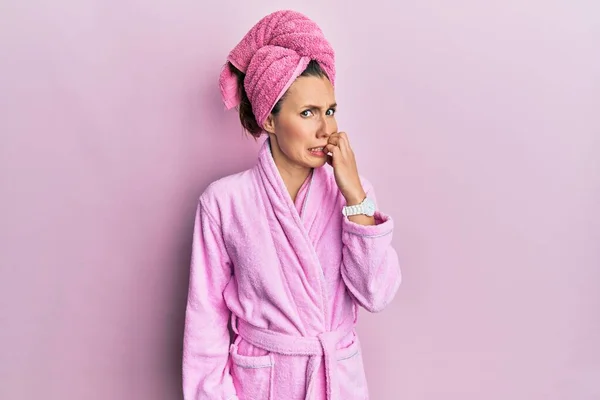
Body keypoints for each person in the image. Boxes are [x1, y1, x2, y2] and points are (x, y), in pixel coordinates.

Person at [182, 9, 401, 400]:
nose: (326, 129)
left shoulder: (354, 194)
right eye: (307, 113)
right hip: (263, 384)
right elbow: (205, 322)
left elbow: (376, 295)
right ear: (269, 119)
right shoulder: (224, 202)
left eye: (330, 111)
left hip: (337, 380)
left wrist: (354, 197)